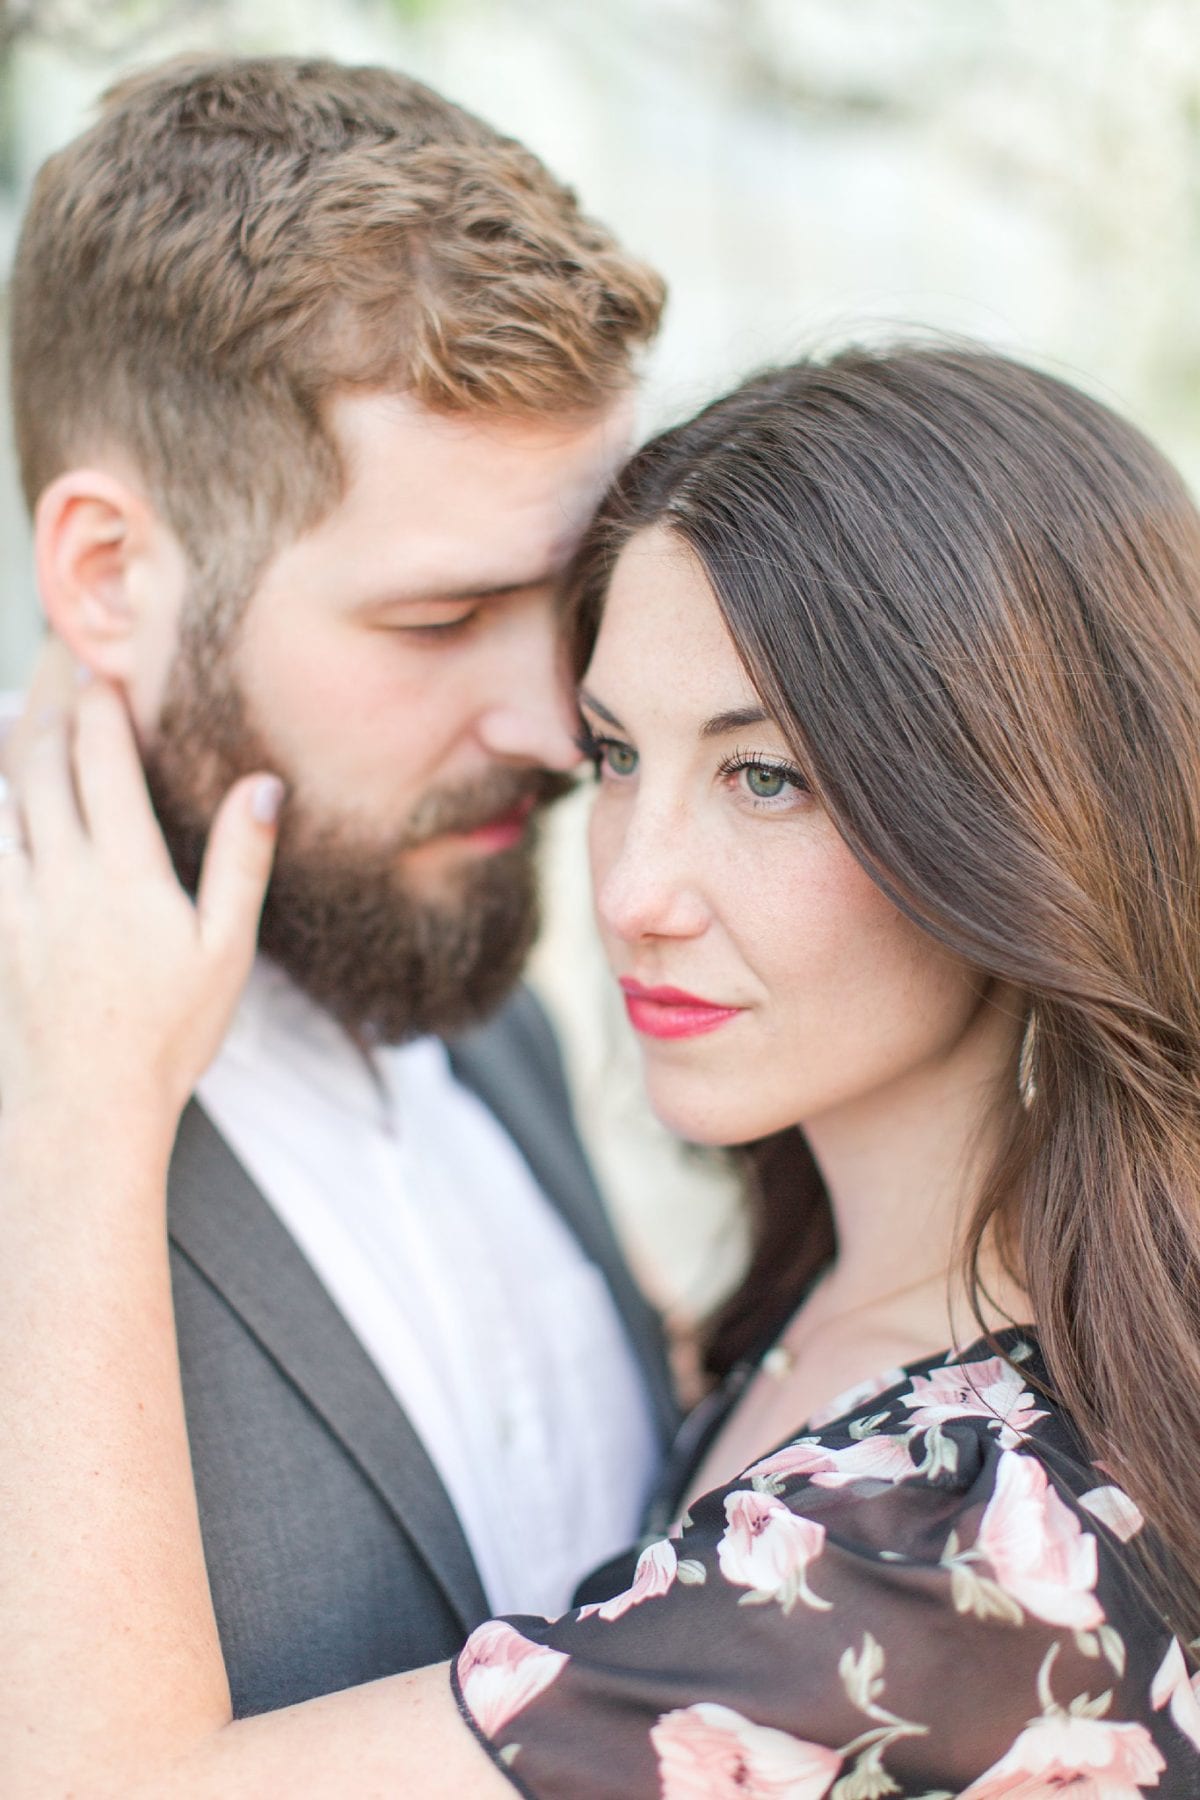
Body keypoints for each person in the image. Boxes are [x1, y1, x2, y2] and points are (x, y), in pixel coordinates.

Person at [5, 342, 1200, 1796]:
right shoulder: (874, 1303)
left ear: (1021, 821)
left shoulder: (958, 1553)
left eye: (767, 778)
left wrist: (86, 1106)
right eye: (618, 755)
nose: (636, 888)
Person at [4, 53, 678, 1715]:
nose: (549, 724)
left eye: (567, 599)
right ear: (108, 575)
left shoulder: (467, 965)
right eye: (437, 622)